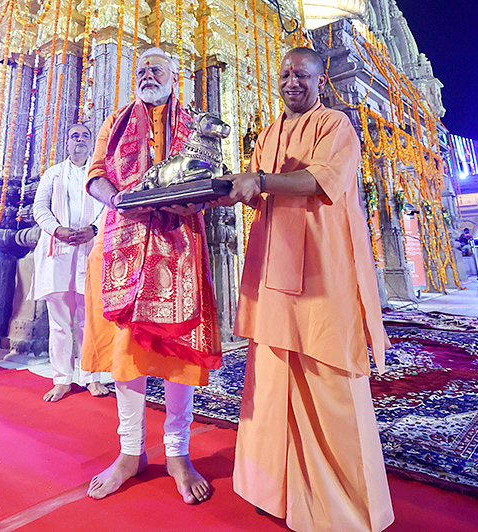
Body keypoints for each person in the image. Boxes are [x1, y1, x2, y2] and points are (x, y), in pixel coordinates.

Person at [217, 47, 394, 532]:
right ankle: (270, 489)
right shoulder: (270, 133)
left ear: (320, 81)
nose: (292, 82)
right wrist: (211, 193)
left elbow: (320, 181)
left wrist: (259, 179)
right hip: (273, 271)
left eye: (303, 75)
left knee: (329, 377)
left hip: (321, 274)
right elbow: (254, 190)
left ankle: (345, 508)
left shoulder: (336, 125)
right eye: (286, 74)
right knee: (271, 381)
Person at [83, 47, 222, 504]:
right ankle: (130, 452)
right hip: (123, 245)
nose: (147, 75)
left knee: (180, 349)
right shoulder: (116, 122)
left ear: (173, 77)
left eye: (155, 69)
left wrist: (196, 201)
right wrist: (118, 201)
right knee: (128, 353)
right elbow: (97, 174)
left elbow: (208, 177)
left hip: (180, 242)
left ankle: (178, 452)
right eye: (141, 69)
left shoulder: (196, 124)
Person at [31, 122, 110, 402]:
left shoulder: (100, 176)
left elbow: (110, 205)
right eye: (74, 135)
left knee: (88, 319)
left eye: (84, 136)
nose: (79, 139)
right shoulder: (53, 174)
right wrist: (57, 229)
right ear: (66, 143)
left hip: (90, 248)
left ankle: (92, 377)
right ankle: (62, 379)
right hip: (58, 250)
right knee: (60, 321)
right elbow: (39, 207)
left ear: (91, 143)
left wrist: (95, 228)